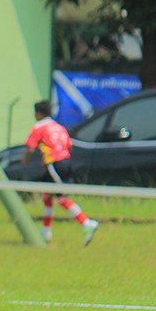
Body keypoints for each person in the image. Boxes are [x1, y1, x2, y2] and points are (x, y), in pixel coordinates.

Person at [23, 100, 99, 246]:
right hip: (64, 162)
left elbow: (31, 148)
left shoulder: (38, 127)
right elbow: (69, 147)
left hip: (54, 164)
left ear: (37, 114)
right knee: (46, 194)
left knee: (62, 198)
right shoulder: (59, 127)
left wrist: (25, 160)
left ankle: (87, 223)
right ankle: (46, 230)